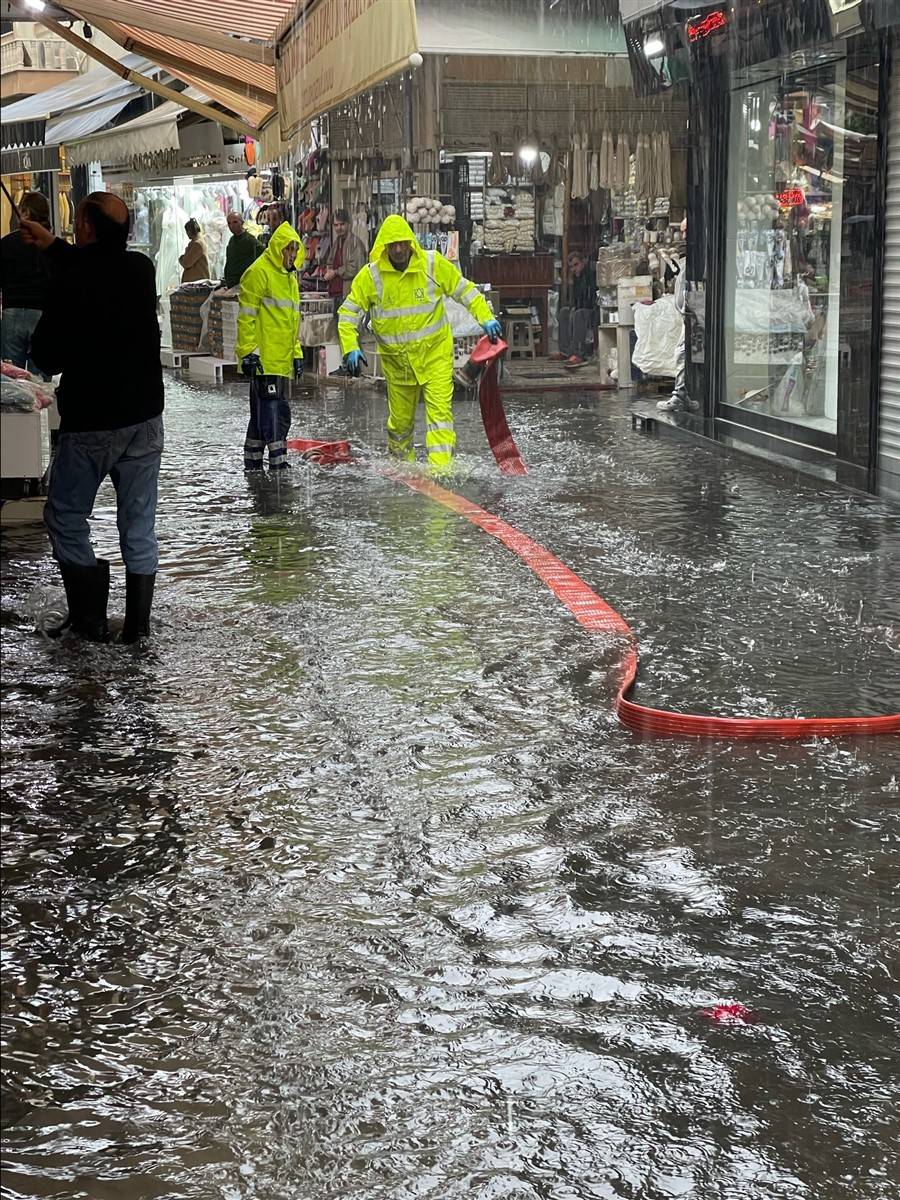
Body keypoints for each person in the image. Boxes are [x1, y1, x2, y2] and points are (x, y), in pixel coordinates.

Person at [20, 192, 164, 643]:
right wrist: (54, 248)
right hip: (144, 421)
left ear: (84, 226)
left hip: (92, 424)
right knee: (138, 527)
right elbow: (100, 267)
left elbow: (45, 356)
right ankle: (137, 631)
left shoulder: (72, 279)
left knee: (65, 516)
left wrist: (55, 267)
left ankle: (89, 621)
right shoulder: (141, 270)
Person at [338, 214, 501, 472]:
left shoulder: (432, 265)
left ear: (411, 242)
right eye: (393, 245)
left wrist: (486, 318)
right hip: (398, 365)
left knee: (440, 419)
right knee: (400, 426)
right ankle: (403, 469)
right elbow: (347, 315)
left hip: (434, 357)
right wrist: (350, 347)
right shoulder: (371, 277)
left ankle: (441, 472)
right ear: (384, 246)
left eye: (403, 243)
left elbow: (465, 291)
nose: (399, 249)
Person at [236, 219, 305, 471]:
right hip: (265, 358)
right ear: (278, 248)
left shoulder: (289, 277)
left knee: (262, 413)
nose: (292, 254)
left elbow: (291, 320)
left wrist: (296, 353)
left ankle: (253, 464)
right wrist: (248, 352)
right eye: (288, 249)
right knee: (275, 412)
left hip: (280, 358)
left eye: (295, 249)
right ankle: (278, 465)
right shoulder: (259, 272)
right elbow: (246, 316)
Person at [0, 191, 52, 371]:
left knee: (14, 377)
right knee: (41, 381)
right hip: (43, 314)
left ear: (27, 213)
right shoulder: (51, 245)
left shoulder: (6, 243)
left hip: (12, 311)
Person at [657, 217, 698, 413]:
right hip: (690, 314)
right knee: (687, 353)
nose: (683, 236)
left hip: (695, 315)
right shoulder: (690, 255)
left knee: (682, 352)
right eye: (681, 232)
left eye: (685, 231)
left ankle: (681, 394)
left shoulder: (698, 255)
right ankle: (687, 393)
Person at [551, 251, 596, 369]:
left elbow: (590, 298)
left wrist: (576, 308)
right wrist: (570, 284)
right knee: (564, 312)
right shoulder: (576, 278)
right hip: (581, 308)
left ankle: (578, 353)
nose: (574, 269)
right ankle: (565, 351)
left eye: (576, 265)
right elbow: (574, 300)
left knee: (578, 314)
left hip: (592, 310)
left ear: (583, 263)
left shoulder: (590, 275)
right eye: (571, 266)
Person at [321, 208, 366, 316]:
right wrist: (328, 271)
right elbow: (330, 261)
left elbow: (356, 268)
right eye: (336, 225)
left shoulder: (354, 243)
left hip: (348, 294)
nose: (339, 228)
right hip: (337, 293)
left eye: (342, 224)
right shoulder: (337, 242)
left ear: (348, 224)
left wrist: (336, 272)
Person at [223, 211, 263, 289]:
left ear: (242, 223)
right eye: (229, 223)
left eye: (235, 222)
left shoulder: (250, 240)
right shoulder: (232, 240)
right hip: (232, 284)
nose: (232, 225)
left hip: (244, 284)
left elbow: (262, 255)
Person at [179, 218, 210, 282]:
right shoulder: (196, 243)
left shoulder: (197, 244)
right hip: (195, 282)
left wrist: (181, 258)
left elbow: (186, 263)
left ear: (190, 231)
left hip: (197, 282)